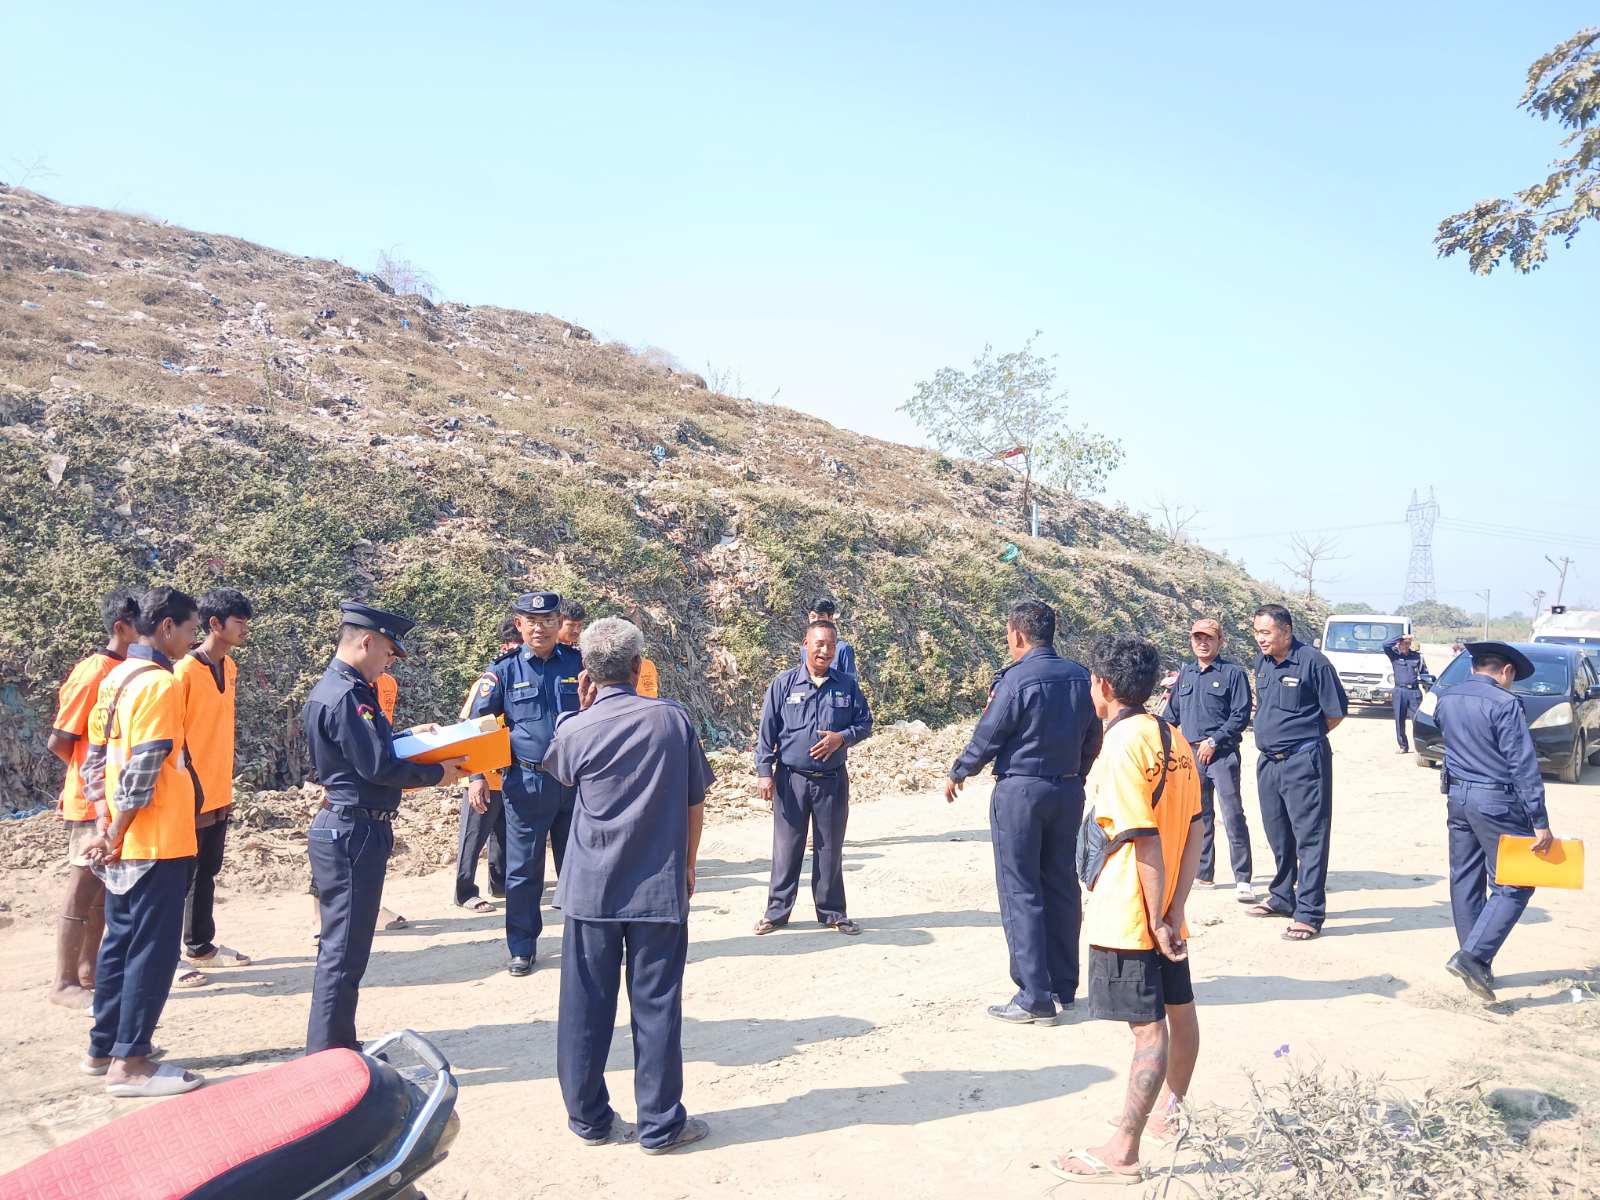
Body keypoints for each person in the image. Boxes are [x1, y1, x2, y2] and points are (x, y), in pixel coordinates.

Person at [543, 617, 713, 1154]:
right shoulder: (672, 720)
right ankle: (660, 1125)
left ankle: (589, 1120)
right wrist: (689, 865)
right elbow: (695, 800)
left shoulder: (576, 728)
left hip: (591, 889)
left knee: (584, 1007)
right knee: (656, 1005)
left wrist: (582, 709)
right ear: (639, 667)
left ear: (586, 671)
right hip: (657, 886)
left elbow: (561, 772)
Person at [1051, 635, 1203, 1185]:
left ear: (1104, 685)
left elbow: (1143, 837)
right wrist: (1176, 908)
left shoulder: (1121, 745)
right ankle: (1169, 1113)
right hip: (1166, 909)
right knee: (1180, 1011)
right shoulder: (1174, 738)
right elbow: (1196, 828)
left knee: (1148, 1030)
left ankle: (1123, 1152)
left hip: (1131, 914)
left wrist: (1155, 916)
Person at [302, 601, 468, 1052]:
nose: (390, 662)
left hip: (349, 826)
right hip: (353, 829)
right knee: (344, 951)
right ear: (366, 641)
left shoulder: (340, 689)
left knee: (346, 948)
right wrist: (437, 773)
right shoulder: (348, 695)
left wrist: (407, 737)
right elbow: (376, 766)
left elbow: (365, 750)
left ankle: (336, 1044)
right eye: (389, 652)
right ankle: (329, 1052)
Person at [944, 599, 1102, 1024]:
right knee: (1062, 886)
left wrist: (961, 770)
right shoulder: (1080, 676)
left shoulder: (1016, 679)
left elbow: (990, 733)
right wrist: (1076, 775)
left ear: (1017, 634)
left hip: (1021, 792)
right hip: (1067, 790)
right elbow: (1094, 735)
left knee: (1021, 889)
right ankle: (1063, 986)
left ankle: (1034, 996)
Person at [78, 586, 206, 1097]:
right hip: (156, 841)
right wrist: (117, 831)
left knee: (119, 945)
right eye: (190, 630)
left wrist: (105, 824)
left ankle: (103, 1047)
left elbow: (93, 764)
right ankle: (130, 1063)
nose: (192, 641)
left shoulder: (115, 679)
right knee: (152, 953)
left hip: (126, 841)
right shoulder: (160, 683)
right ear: (167, 627)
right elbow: (146, 766)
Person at [466, 591, 583, 975]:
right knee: (522, 871)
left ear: (558, 623)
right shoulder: (503, 671)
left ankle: (584, 941)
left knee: (580, 867)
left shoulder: (579, 664)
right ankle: (522, 946)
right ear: (519, 625)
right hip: (526, 782)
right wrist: (477, 777)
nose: (540, 628)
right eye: (532, 621)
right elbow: (478, 728)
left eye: (548, 620)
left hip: (576, 784)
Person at [1437, 642, 1553, 1002]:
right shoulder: (1505, 703)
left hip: (1458, 798)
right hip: (1497, 802)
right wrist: (1539, 819)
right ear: (1506, 671)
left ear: (1474, 667)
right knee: (1517, 881)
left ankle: (1476, 963)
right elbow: (1522, 764)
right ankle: (1472, 957)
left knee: (1465, 879)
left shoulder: (1447, 698)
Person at [45, 588, 138, 1010]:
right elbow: (60, 740)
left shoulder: (125, 669)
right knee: (81, 888)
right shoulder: (92, 672)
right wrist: (90, 776)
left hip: (110, 800)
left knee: (101, 891)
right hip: (89, 799)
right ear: (121, 627)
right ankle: (63, 981)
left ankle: (89, 971)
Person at [754, 619, 873, 936]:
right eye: (819, 644)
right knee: (786, 849)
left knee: (829, 849)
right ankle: (776, 913)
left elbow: (865, 723)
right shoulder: (784, 684)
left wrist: (841, 738)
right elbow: (767, 732)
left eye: (831, 645)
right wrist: (764, 772)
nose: (825, 650)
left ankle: (833, 912)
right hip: (790, 779)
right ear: (805, 645)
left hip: (832, 780)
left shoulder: (846, 685)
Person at [1247, 604, 1348, 942]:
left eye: (1266, 632)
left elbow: (1335, 713)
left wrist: (1303, 739)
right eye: (1257, 632)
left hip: (1304, 761)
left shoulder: (1314, 663)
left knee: (1310, 837)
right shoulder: (1263, 662)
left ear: (1286, 631)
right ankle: (1281, 897)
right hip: (1268, 762)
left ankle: (1308, 913)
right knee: (1278, 834)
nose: (1260, 639)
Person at [173, 588, 254, 989]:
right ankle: (167, 956)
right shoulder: (184, 672)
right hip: (190, 789)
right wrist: (190, 785)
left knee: (208, 868)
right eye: (238, 622)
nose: (245, 629)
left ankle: (200, 945)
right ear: (214, 624)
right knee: (179, 874)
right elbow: (174, 735)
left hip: (219, 786)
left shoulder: (230, 667)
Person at [1162, 618, 1256, 902]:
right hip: (1191, 756)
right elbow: (1171, 715)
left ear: (1220, 641)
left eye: (1208, 638)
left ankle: (1243, 878)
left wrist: (1214, 741)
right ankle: (1204, 873)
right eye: (1197, 638)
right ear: (1191, 641)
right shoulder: (1186, 674)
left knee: (1233, 815)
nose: (1202, 643)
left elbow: (1240, 715)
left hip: (1222, 755)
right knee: (1200, 816)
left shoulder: (1233, 674)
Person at [453, 614, 518, 912]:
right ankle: (464, 892)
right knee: (473, 836)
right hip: (483, 776)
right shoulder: (488, 682)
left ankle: (500, 883)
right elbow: (468, 729)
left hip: (508, 775)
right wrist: (475, 777)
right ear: (506, 646)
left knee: (503, 835)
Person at [1383, 631, 1429, 755]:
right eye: (1403, 643)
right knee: (1399, 720)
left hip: (1414, 692)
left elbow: (1424, 674)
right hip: (1399, 691)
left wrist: (1428, 691)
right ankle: (1403, 746)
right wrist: (1401, 636)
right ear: (1399, 644)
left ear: (1410, 644)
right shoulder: (1394, 656)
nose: (1405, 645)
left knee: (1417, 721)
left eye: (1407, 643)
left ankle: (1420, 747)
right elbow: (1385, 645)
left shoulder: (1417, 657)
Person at [804, 598, 858, 677]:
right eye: (813, 616)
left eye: (821, 616)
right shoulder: (806, 648)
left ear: (830, 618)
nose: (816, 620)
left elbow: (851, 681)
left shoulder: (843, 649)